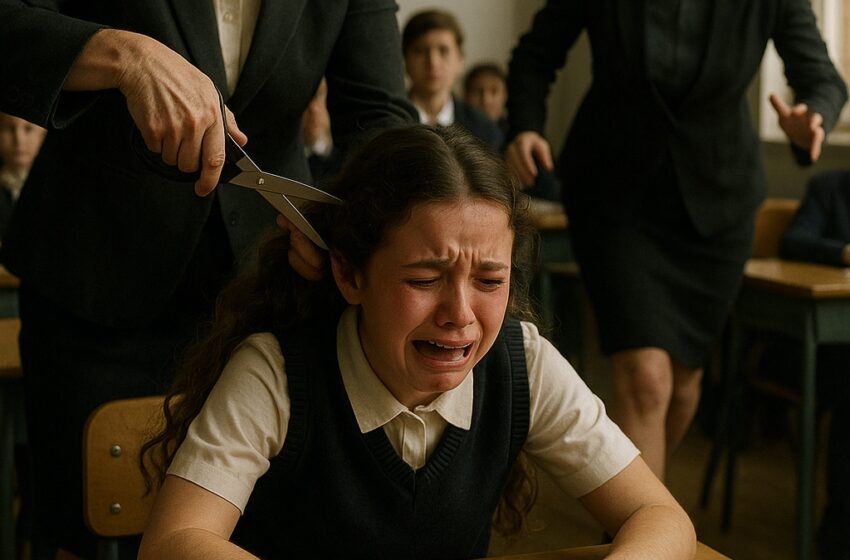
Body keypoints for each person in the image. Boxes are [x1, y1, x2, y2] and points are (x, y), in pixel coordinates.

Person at [137, 124, 696, 559]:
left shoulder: (521, 363)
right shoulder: (279, 373)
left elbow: (661, 517)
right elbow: (173, 542)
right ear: (351, 275)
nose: (459, 315)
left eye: (489, 281)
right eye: (424, 281)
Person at [0, 1, 415, 557]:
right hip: (95, 292)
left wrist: (347, 227)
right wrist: (122, 54)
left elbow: (379, 117)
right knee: (83, 528)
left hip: (271, 296)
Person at [504, 0, 848, 481]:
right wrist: (525, 125)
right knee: (645, 378)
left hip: (718, 208)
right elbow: (535, 55)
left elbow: (824, 80)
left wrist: (813, 117)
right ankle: (641, 529)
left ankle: (632, 514)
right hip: (616, 197)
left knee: (684, 385)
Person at [779, 169, 850, 560]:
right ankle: (838, 531)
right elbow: (795, 242)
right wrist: (843, 251)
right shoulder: (830, 188)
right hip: (822, 353)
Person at [401, 9, 504, 152]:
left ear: (460, 60)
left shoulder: (484, 130)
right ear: (405, 60)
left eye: (443, 51)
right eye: (420, 51)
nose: (433, 62)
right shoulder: (387, 122)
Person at [464, 62, 561, 203]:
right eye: (478, 92)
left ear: (505, 96)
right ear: (465, 96)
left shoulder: (521, 135)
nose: (486, 100)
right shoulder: (457, 134)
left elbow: (552, 189)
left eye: (494, 91)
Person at [0, 112, 46, 238]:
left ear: (42, 135)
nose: (19, 140)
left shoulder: (50, 187)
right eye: (9, 128)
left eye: (28, 129)